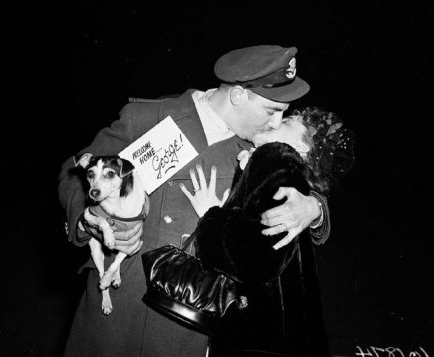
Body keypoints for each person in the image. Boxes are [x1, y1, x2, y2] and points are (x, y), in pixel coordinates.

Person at [58, 45, 331, 357]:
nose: (275, 124)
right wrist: (87, 219)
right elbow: (75, 170)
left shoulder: (258, 151)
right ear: (238, 95)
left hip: (189, 329)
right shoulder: (151, 117)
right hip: (118, 312)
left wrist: (314, 208)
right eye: (271, 111)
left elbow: (303, 181)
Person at [180, 107, 355, 356]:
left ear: (304, 147)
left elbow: (252, 258)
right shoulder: (291, 178)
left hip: (259, 337)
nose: (275, 122)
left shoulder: (276, 160)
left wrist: (210, 215)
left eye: (288, 121)